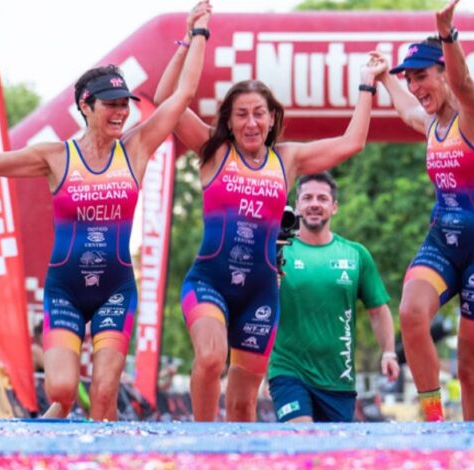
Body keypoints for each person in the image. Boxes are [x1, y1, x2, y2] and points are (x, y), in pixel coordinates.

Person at [0, 1, 212, 421]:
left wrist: (196, 36)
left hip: (116, 290)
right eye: (111, 104)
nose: (121, 112)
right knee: (62, 391)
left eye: (124, 103)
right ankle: (56, 431)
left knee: (103, 395)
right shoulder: (54, 157)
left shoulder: (136, 147)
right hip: (65, 288)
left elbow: (184, 94)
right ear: (85, 105)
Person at [154, 42, 387, 423]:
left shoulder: (288, 159)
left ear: (272, 117)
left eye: (258, 114)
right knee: (211, 358)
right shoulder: (214, 151)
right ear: (228, 121)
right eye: (241, 114)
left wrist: (366, 84)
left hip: (260, 293)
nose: (250, 123)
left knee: (244, 403)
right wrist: (184, 44)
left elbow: (352, 143)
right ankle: (199, 443)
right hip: (209, 282)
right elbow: (166, 100)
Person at [373, 0, 474, 421]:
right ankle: (435, 423)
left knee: (470, 371)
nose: (415, 87)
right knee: (411, 312)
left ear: (443, 73)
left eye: (421, 77)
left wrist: (447, 33)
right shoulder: (432, 124)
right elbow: (405, 108)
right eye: (410, 80)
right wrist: (386, 79)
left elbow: (465, 83)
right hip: (444, 244)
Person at [267, 172, 399, 423]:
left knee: (334, 456)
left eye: (322, 198)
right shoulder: (275, 250)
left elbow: (378, 311)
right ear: (297, 207)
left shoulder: (355, 254)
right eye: (307, 198)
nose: (314, 203)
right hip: (288, 372)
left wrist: (389, 353)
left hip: (338, 381)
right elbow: (253, 303)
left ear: (334, 207)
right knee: (300, 441)